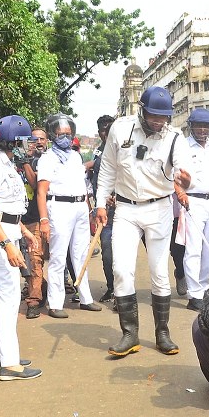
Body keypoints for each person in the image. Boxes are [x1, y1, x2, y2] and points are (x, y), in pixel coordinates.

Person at [95, 86, 193, 357]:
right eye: (153, 116)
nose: (158, 122)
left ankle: (162, 333)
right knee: (121, 270)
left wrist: (185, 181)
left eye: (163, 117)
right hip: (126, 210)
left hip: (159, 209)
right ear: (142, 110)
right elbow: (107, 170)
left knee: (159, 272)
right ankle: (130, 334)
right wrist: (100, 204)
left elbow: (185, 170)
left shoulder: (174, 137)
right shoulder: (120, 129)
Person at [0, 114, 42, 380]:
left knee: (4, 294)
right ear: (14, 142)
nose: (31, 146)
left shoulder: (6, 162)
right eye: (27, 141)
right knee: (10, 294)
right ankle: (10, 365)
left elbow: (8, 205)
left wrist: (23, 231)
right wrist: (7, 245)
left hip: (7, 230)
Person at [37, 114, 102, 317]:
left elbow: (82, 185)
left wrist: (89, 210)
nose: (64, 137)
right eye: (60, 134)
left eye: (67, 133)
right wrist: (44, 220)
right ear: (52, 135)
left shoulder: (75, 156)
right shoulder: (48, 158)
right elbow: (41, 191)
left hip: (79, 207)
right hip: (59, 207)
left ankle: (86, 298)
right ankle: (56, 304)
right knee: (58, 256)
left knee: (82, 254)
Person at [177, 108, 209, 312]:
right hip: (193, 201)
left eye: (206, 126)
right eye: (199, 126)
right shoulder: (183, 147)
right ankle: (194, 294)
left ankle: (204, 287)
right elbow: (176, 177)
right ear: (191, 126)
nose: (203, 130)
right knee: (194, 249)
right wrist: (181, 195)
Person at [19, 128, 47, 319]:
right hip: (17, 220)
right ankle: (39, 288)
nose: (35, 143)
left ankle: (33, 301)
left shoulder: (45, 161)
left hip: (37, 219)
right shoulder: (11, 160)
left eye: (39, 139)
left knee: (35, 260)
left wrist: (25, 162)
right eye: (32, 139)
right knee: (23, 262)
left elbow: (36, 183)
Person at [89, 116, 116, 304]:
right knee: (108, 253)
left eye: (110, 129)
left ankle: (123, 296)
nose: (106, 133)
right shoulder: (99, 156)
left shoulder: (126, 152)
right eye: (103, 130)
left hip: (128, 211)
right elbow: (96, 184)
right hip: (106, 214)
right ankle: (112, 288)